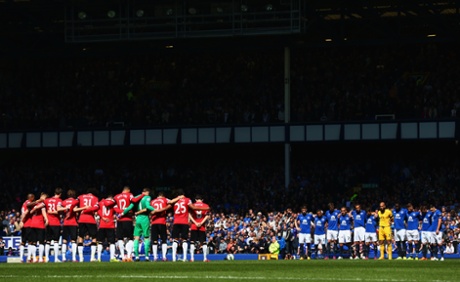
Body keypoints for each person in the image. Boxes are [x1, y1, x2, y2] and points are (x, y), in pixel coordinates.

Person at [170, 189, 209, 262]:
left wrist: (194, 222)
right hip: (186, 222)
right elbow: (205, 215)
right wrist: (205, 209)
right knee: (200, 241)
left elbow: (170, 202)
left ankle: (177, 258)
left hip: (178, 222)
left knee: (177, 240)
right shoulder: (188, 200)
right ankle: (202, 258)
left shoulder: (175, 201)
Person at [121, 187, 154, 261]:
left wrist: (122, 214)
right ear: (147, 192)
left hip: (137, 219)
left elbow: (129, 208)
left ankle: (136, 256)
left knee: (136, 237)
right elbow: (148, 206)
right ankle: (146, 256)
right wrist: (155, 209)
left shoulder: (136, 197)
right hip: (145, 218)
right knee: (146, 237)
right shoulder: (147, 197)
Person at [150, 191, 182, 261]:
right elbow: (172, 202)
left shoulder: (152, 201)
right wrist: (178, 197)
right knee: (163, 240)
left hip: (154, 222)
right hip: (162, 222)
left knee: (154, 240)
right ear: (163, 196)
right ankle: (164, 257)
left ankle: (155, 257)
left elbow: (149, 210)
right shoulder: (165, 199)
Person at [113, 186, 139, 261]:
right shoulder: (129, 195)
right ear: (128, 190)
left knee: (120, 238)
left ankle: (122, 256)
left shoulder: (116, 196)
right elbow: (134, 201)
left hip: (120, 220)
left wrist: (120, 212)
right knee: (130, 238)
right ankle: (128, 256)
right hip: (128, 219)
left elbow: (114, 206)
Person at [76, 188, 100, 262]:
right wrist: (88, 210)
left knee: (80, 237)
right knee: (94, 237)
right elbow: (96, 207)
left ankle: (81, 258)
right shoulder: (95, 198)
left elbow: (74, 204)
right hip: (90, 220)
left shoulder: (80, 197)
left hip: (82, 219)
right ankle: (92, 257)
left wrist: (82, 210)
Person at [19, 193, 42, 263]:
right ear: (31, 197)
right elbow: (25, 212)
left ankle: (21, 258)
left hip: (25, 224)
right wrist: (38, 201)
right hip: (28, 224)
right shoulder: (28, 203)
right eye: (33, 197)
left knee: (23, 242)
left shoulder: (24, 203)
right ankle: (29, 258)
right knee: (30, 242)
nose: (34, 199)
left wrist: (21, 221)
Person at [27, 192, 49, 263]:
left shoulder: (35, 204)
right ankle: (39, 258)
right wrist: (46, 219)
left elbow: (30, 210)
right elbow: (43, 212)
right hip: (40, 224)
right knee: (41, 242)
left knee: (33, 242)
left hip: (33, 224)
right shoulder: (42, 204)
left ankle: (34, 258)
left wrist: (34, 208)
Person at [44, 187, 63, 262]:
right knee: (56, 241)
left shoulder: (47, 200)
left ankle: (47, 258)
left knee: (48, 241)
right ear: (60, 194)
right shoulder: (59, 200)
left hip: (48, 222)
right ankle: (55, 258)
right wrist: (65, 208)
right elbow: (58, 210)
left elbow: (44, 209)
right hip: (56, 222)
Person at [188, 194, 210, 262]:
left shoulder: (192, 205)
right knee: (203, 242)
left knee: (192, 242)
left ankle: (192, 258)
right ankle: (205, 258)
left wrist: (195, 222)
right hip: (202, 226)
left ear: (195, 199)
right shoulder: (206, 206)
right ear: (202, 200)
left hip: (194, 225)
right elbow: (207, 216)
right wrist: (201, 223)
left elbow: (189, 215)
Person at [96, 194, 118, 262]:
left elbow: (97, 210)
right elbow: (117, 210)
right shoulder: (113, 203)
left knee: (100, 242)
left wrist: (102, 217)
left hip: (102, 225)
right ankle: (112, 258)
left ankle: (98, 258)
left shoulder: (100, 203)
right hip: (110, 225)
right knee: (112, 242)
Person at [60, 189, 79, 262]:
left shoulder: (63, 202)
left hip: (65, 223)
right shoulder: (75, 201)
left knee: (64, 240)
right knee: (73, 240)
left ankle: (63, 258)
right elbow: (75, 210)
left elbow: (60, 210)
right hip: (73, 223)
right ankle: (74, 258)